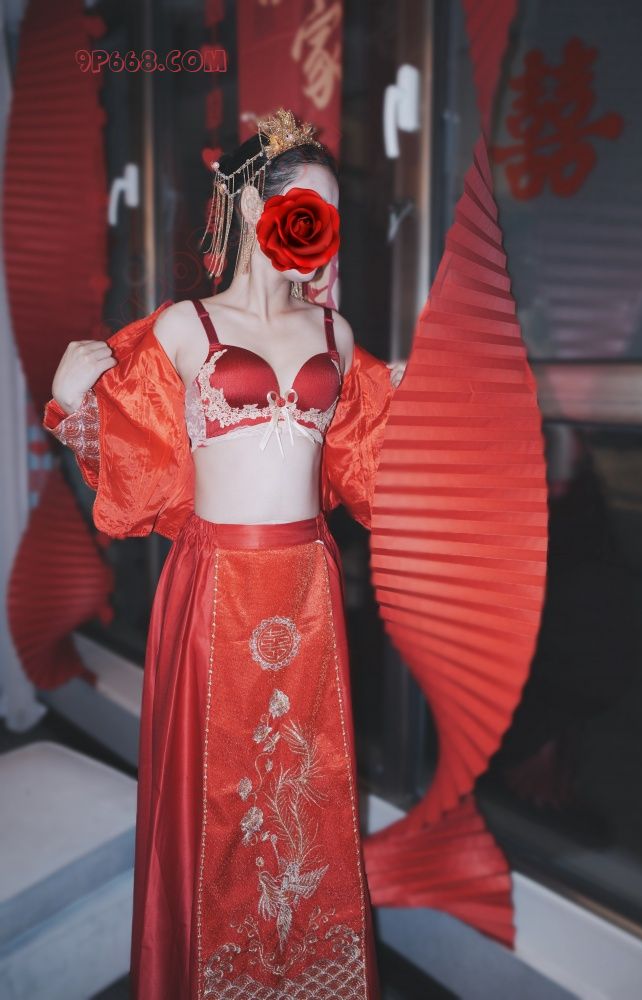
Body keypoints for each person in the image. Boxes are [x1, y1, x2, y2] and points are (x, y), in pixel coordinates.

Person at [43, 108, 403, 1000]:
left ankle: (305, 976)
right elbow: (134, 473)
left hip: (307, 586)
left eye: (328, 213)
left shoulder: (336, 336)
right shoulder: (182, 327)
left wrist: (417, 405)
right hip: (213, 585)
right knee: (218, 795)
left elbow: (370, 473)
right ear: (252, 208)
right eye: (304, 205)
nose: (318, 227)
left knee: (307, 787)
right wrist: (73, 401)